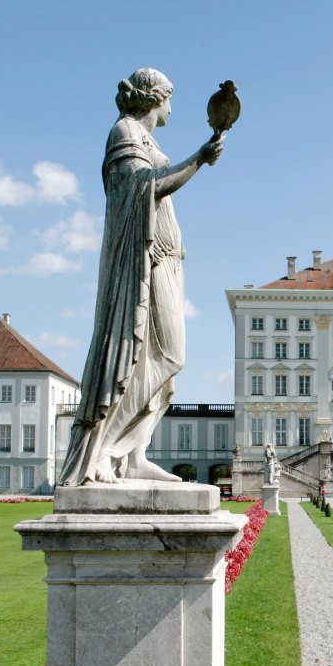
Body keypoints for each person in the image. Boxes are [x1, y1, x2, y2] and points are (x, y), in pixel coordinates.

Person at [60, 68, 224, 485]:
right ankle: (105, 448)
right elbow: (145, 186)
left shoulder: (146, 139)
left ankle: (134, 456)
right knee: (165, 354)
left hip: (165, 257)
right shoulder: (125, 133)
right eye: (169, 98)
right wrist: (199, 159)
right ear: (153, 98)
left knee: (157, 361)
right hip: (143, 259)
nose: (172, 107)